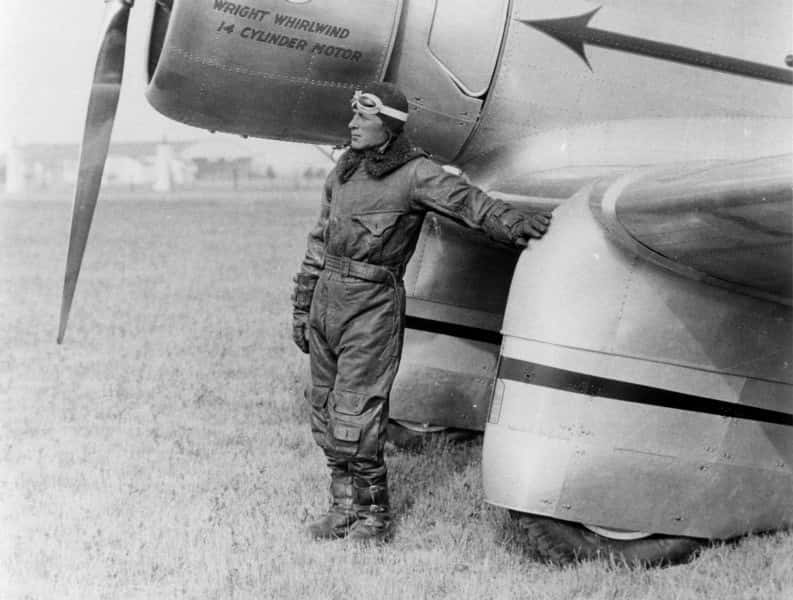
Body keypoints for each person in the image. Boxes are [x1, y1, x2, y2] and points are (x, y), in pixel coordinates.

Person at [291, 82, 551, 543]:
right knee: (325, 409)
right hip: (327, 299)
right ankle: (342, 508)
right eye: (353, 116)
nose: (351, 124)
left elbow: (468, 203)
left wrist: (514, 224)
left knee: (358, 413)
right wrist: (302, 307)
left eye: (362, 118)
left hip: (372, 306)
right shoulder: (343, 174)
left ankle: (373, 518)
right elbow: (318, 242)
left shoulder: (416, 174)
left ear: (387, 125)